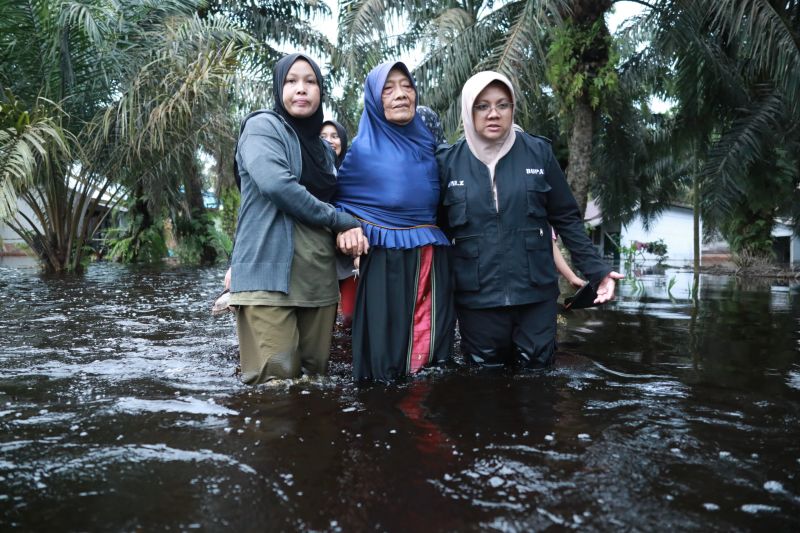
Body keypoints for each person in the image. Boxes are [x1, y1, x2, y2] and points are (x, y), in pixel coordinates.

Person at [436, 71, 623, 369]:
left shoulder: (538, 153)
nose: (493, 114)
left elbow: (566, 218)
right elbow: (436, 231)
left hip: (535, 293)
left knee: (538, 377)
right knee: (484, 378)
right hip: (477, 296)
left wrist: (597, 270)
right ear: (468, 111)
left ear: (513, 109)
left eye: (503, 105)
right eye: (482, 106)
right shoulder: (447, 162)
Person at [228, 53, 368, 384]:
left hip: (317, 279)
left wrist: (350, 231)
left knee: (314, 383)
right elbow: (277, 185)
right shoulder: (262, 128)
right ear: (279, 89)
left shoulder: (322, 151)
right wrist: (340, 220)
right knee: (274, 385)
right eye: (291, 81)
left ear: (321, 92)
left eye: (310, 82)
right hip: (267, 275)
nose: (301, 89)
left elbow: (341, 200)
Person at [335, 61, 456, 382]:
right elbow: (339, 202)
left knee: (430, 357)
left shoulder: (432, 144)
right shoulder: (361, 152)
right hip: (383, 262)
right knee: (384, 358)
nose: (401, 95)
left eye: (407, 86)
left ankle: (425, 418)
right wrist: (346, 226)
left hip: (432, 262)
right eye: (388, 89)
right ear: (375, 100)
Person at [319, 119, 359, 330]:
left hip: (349, 256)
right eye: (323, 136)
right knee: (323, 322)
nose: (329, 141)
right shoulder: (310, 172)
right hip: (320, 254)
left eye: (334, 136)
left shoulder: (354, 172)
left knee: (350, 318)